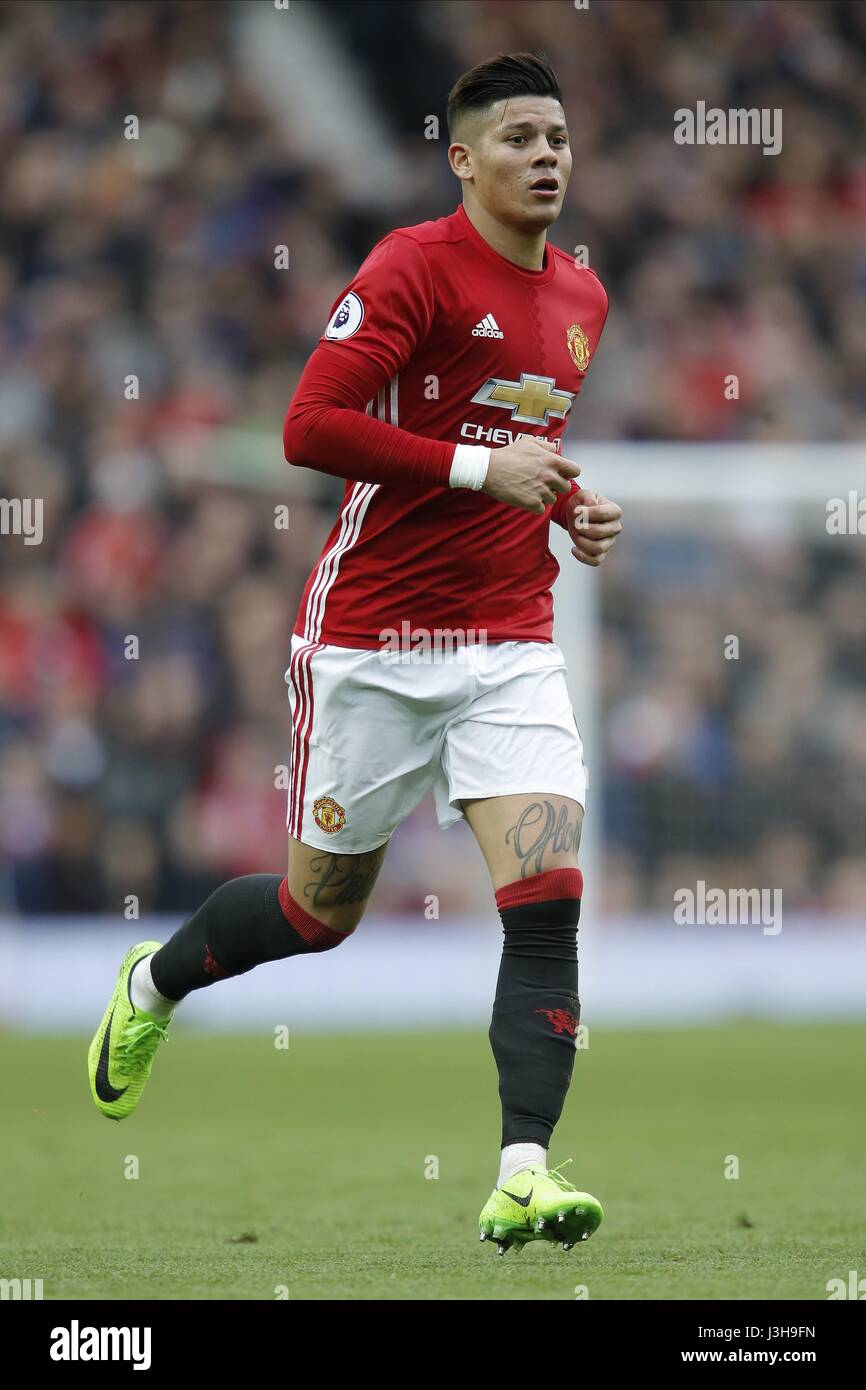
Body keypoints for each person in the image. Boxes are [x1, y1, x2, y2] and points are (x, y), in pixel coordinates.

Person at [88, 50, 623, 1256]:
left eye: (558, 137)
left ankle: (522, 1172)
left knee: (544, 905)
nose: (546, 156)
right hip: (371, 638)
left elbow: (516, 437)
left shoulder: (583, 297)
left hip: (508, 638)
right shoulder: (411, 267)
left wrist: (566, 507)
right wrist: (489, 470)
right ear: (463, 158)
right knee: (316, 911)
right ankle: (153, 986)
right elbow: (306, 426)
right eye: (519, 138)